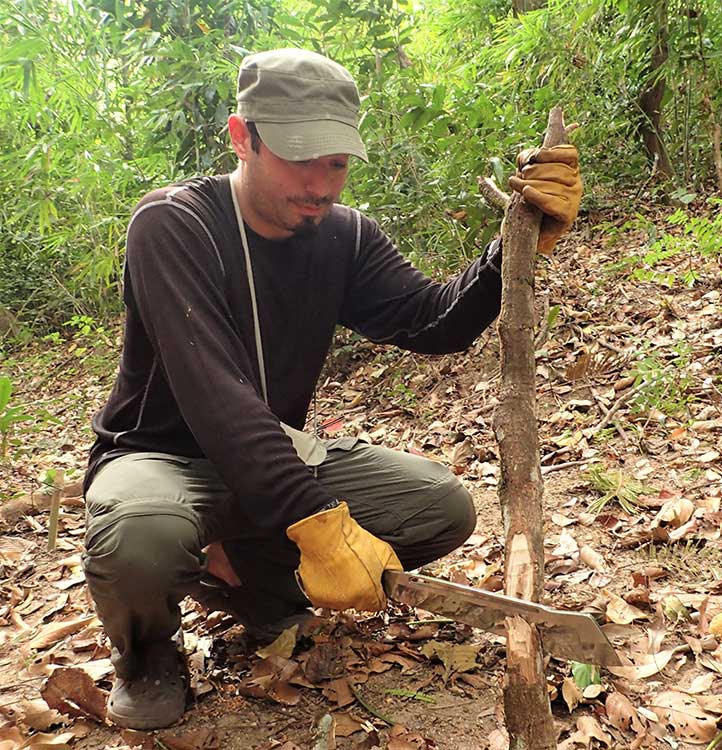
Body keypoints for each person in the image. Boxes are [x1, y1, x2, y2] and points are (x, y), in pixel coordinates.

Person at [81, 48, 582, 730]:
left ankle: (254, 583)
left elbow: (434, 321)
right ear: (242, 137)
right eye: (298, 156)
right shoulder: (174, 226)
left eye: (337, 163)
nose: (320, 184)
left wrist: (512, 247)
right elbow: (216, 398)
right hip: (160, 456)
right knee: (141, 534)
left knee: (439, 506)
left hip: (270, 452)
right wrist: (318, 524)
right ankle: (146, 652)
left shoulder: (341, 237)